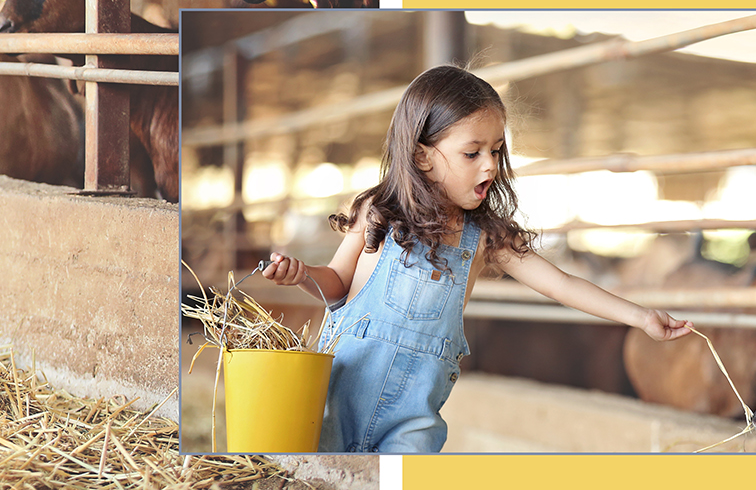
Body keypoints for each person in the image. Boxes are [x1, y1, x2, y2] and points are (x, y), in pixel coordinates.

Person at [261, 65, 694, 452]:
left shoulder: (486, 237)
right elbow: (337, 283)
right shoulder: (378, 214)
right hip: (335, 402)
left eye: (496, 150)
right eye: (472, 153)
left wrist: (640, 317)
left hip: (412, 427)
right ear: (422, 156)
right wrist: (302, 275)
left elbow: (562, 285)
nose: (490, 165)